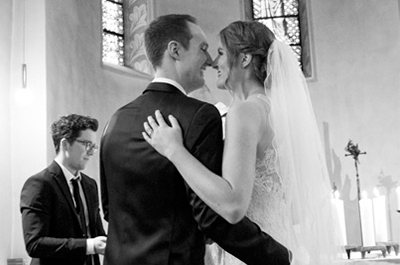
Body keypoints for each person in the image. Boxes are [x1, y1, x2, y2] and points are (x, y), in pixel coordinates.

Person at [144, 21, 344, 264]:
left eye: (220, 53)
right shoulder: (276, 112)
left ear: (245, 59)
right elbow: (295, 209)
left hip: (251, 252)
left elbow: (232, 204)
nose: (214, 62)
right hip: (280, 243)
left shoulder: (245, 111)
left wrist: (174, 150)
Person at [100, 14, 290, 265]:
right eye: (204, 49)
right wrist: (278, 255)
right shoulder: (201, 115)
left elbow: (109, 207)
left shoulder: (115, 121)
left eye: (219, 52)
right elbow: (211, 216)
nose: (211, 60)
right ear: (175, 50)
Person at [20, 114, 107, 265]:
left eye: (93, 146)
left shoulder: (90, 184)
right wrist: (89, 245)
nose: (92, 152)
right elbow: (35, 243)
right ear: (65, 144)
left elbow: (97, 234)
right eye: (87, 144)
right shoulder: (39, 184)